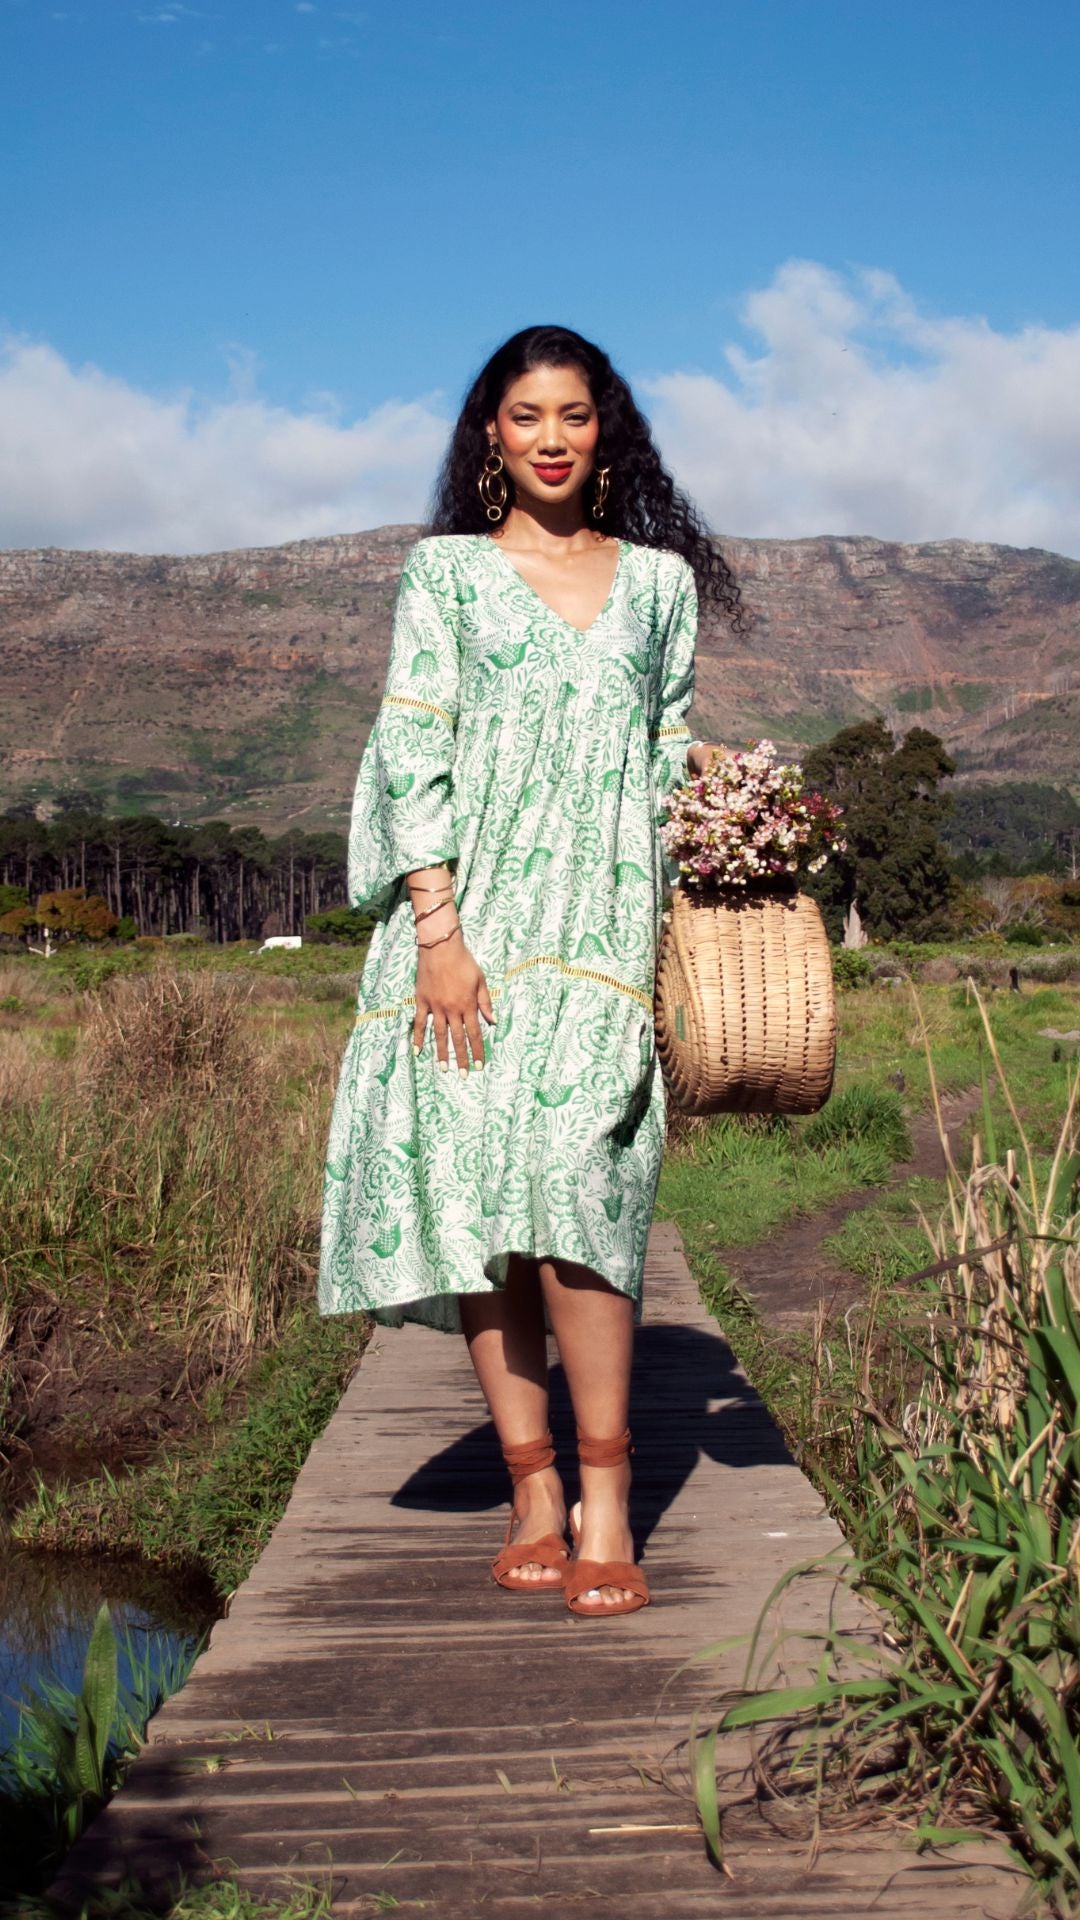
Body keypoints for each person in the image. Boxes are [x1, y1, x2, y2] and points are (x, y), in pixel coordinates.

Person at [319, 324, 739, 1617]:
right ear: (490, 439)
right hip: (469, 936)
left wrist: (726, 843)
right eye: (525, 416)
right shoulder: (443, 575)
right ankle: (537, 1491)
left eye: (573, 413)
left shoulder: (660, 587)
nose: (551, 437)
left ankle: (610, 1496)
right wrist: (439, 932)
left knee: (583, 1194)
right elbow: (412, 749)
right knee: (485, 1213)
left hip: (603, 940)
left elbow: (666, 755)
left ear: (605, 430)